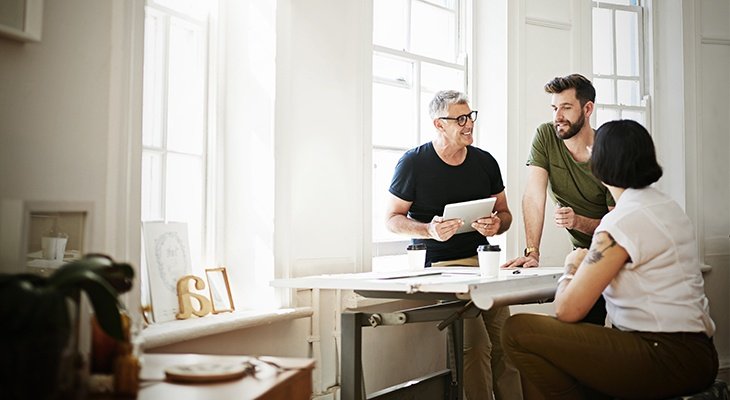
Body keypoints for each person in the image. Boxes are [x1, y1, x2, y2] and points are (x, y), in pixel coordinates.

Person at [501, 119, 718, 400]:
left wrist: (572, 265)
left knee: (517, 330)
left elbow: (567, 311)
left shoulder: (621, 221)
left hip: (664, 355)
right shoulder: (666, 206)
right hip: (698, 353)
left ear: (601, 164)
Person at [385, 90, 521, 400]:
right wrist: (429, 230)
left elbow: (506, 214)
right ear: (439, 124)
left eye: (470, 116)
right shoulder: (413, 163)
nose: (469, 124)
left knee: (507, 344)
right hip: (441, 270)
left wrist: (498, 223)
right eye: (460, 119)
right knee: (475, 347)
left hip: (485, 265)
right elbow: (392, 219)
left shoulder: (485, 161)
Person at [502, 73, 614, 325]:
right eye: (554, 108)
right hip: (582, 253)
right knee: (581, 330)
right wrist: (532, 252)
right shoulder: (546, 135)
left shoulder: (606, 151)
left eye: (566, 107)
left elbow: (617, 225)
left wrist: (577, 222)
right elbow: (533, 194)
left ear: (587, 109)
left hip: (616, 250)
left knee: (615, 331)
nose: (557, 116)